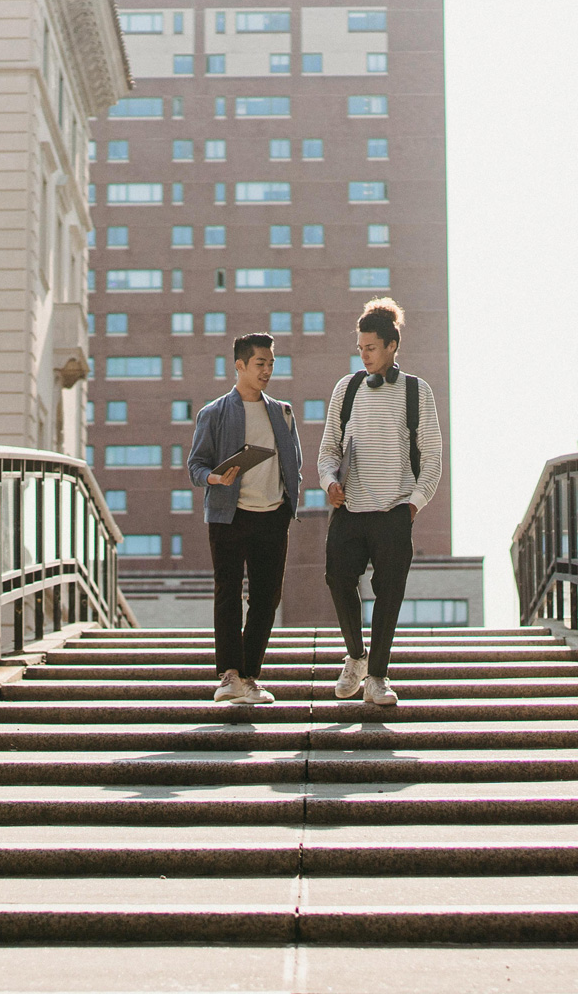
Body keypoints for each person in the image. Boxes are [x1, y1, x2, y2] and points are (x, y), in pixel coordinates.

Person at [317, 298, 443, 705]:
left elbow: (433, 456)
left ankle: (377, 677)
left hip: (394, 511)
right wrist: (328, 481)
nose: (364, 355)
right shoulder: (347, 388)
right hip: (350, 509)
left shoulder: (415, 391)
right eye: (360, 349)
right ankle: (355, 657)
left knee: (389, 593)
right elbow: (327, 451)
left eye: (370, 348)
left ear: (392, 345)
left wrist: (413, 504)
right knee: (338, 578)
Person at [188, 333, 301, 704]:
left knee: (267, 598)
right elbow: (195, 466)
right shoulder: (214, 412)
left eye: (271, 363)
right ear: (239, 365)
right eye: (260, 364)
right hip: (229, 515)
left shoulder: (282, 412)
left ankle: (251, 676)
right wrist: (215, 478)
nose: (267, 370)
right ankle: (229, 675)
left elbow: (294, 464)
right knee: (228, 594)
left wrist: (287, 502)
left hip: (272, 515)